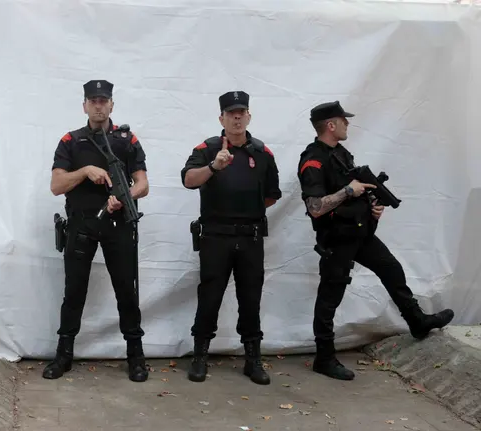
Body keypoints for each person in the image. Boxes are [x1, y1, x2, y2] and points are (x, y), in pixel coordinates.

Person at [297, 100, 454, 381]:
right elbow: (315, 207)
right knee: (330, 296)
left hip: (360, 232)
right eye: (343, 120)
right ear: (331, 125)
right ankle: (324, 357)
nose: (348, 124)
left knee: (392, 269)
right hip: (336, 238)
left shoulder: (342, 154)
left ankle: (417, 321)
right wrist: (348, 191)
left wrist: (372, 207)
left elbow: (357, 191)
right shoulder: (313, 160)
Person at [44, 79, 150, 382]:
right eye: (93, 101)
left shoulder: (126, 141)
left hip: (118, 224)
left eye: (104, 100)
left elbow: (143, 183)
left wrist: (125, 196)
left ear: (112, 105)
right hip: (81, 223)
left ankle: (136, 356)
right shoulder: (71, 141)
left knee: (126, 292)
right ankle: (63, 354)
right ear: (85, 106)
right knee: (74, 291)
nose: (99, 105)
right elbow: (56, 185)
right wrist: (85, 171)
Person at [180, 91, 281, 385]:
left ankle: (253, 359)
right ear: (221, 118)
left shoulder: (262, 153)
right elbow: (188, 180)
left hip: (249, 237)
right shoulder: (208, 149)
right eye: (231, 113)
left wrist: (244, 209)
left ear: (248, 116)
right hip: (215, 236)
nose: (237, 117)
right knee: (209, 297)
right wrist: (214, 167)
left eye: (242, 112)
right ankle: (200, 356)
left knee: (251, 298)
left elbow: (272, 196)